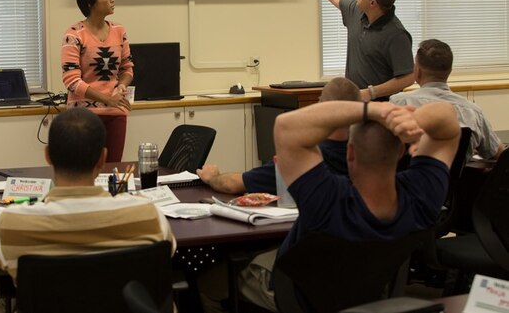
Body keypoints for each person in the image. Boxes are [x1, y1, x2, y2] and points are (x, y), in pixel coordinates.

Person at [200, 100, 459, 313]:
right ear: (401, 152)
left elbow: (287, 126)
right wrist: (411, 118)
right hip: (371, 293)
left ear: (350, 154)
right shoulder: (422, 196)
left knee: (205, 282)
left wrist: (372, 109)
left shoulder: (327, 198)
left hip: (297, 298)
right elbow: (448, 121)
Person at [0, 107, 175, 313]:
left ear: (48, 156)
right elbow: (168, 250)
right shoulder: (149, 216)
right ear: (103, 158)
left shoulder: (9, 225)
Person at [197, 77, 361, 194]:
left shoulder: (306, 157)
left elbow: (233, 185)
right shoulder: (369, 154)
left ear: (320, 107)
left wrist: (213, 177)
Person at [289, 0, 414, 101]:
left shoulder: (396, 34)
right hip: (354, 104)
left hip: (381, 108)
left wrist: (370, 93)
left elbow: (408, 78)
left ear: (373, 3)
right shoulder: (357, 12)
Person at [391, 39, 506, 161]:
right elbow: (497, 153)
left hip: (407, 178)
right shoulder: (473, 112)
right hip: (456, 179)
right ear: (449, 71)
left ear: (417, 71)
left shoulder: (398, 103)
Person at [61, 0, 134, 162]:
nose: (112, 0)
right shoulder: (74, 34)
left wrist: (121, 87)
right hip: (83, 116)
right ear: (90, 3)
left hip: (116, 113)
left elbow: (127, 68)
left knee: (113, 169)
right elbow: (71, 80)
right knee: (84, 167)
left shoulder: (119, 30)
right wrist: (106, 98)